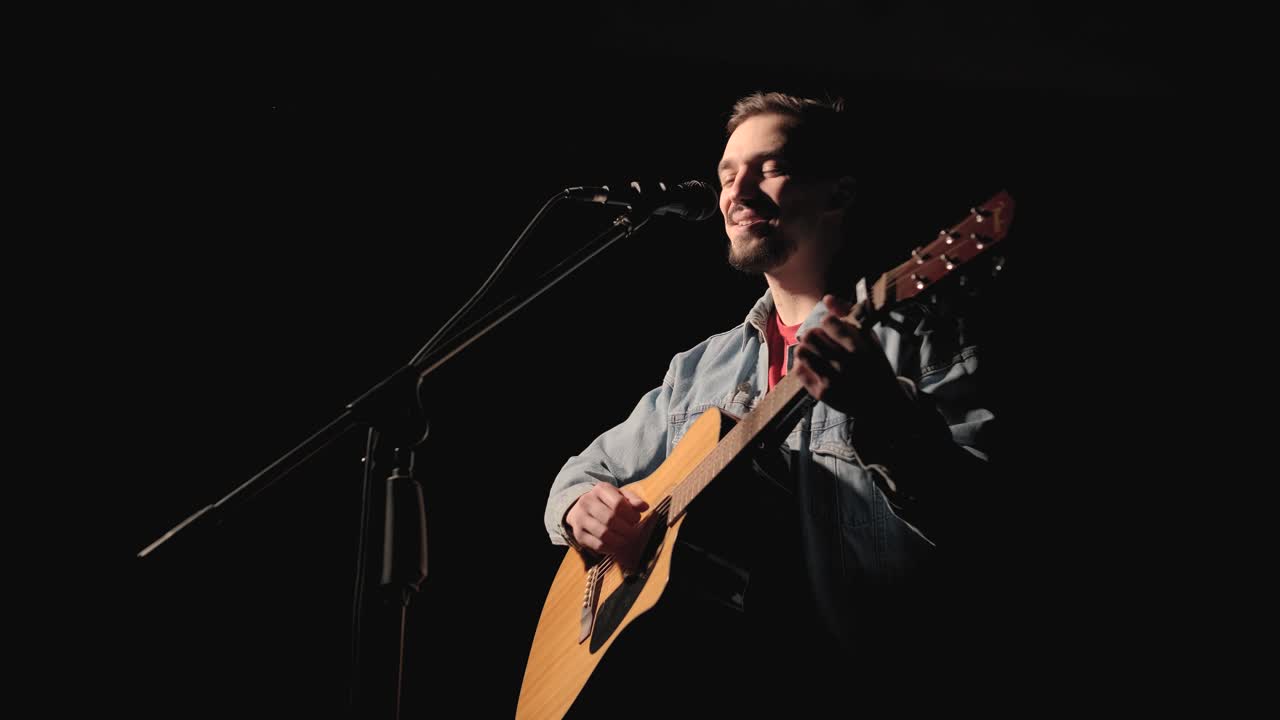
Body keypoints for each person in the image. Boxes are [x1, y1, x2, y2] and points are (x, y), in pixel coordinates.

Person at [542, 92, 996, 711]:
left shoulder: (924, 346)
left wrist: (884, 410)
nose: (737, 190)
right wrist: (580, 513)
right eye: (728, 175)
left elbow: (985, 524)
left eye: (770, 168)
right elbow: (577, 477)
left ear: (837, 194)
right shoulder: (698, 371)